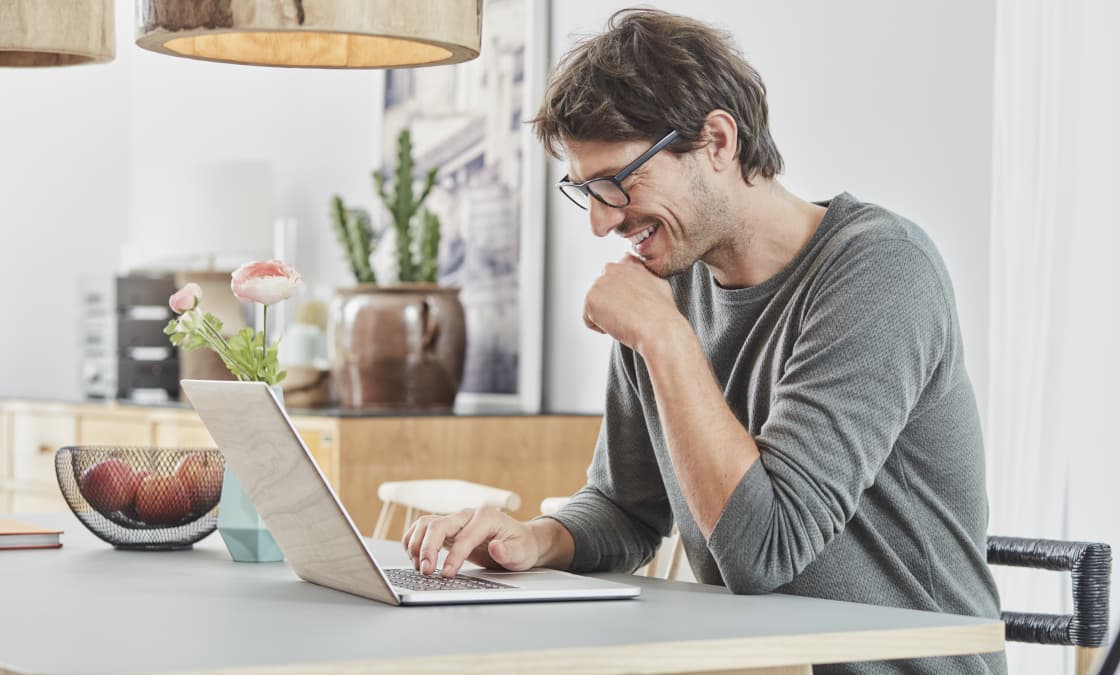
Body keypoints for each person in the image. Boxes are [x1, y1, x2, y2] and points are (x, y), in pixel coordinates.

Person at [403, 8, 1005, 674]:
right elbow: (626, 508)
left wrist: (663, 336)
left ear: (717, 140)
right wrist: (536, 540)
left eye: (616, 183)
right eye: (586, 191)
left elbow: (765, 550)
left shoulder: (883, 272)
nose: (602, 222)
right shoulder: (668, 281)